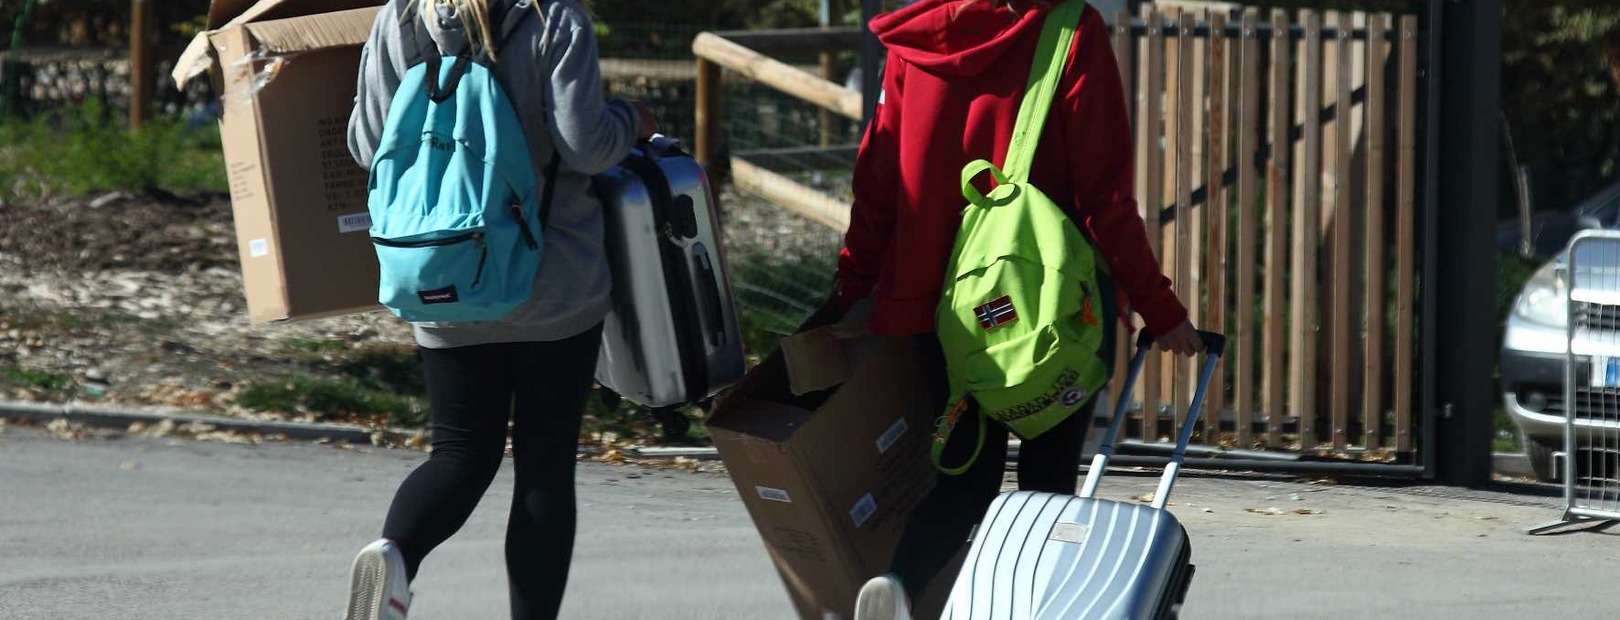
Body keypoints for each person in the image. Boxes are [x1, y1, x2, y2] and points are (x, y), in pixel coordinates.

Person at [796, 1, 1204, 618]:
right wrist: (1160, 306)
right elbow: (1105, 200)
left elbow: (879, 182)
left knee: (963, 477)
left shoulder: (915, 40)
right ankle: (1030, 606)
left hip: (940, 312)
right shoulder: (1069, 31)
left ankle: (901, 583)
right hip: (1053, 311)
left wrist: (850, 290)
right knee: (1047, 481)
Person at [342, 1, 656, 619]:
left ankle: (394, 555)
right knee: (544, 464)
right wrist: (631, 118)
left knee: (459, 453)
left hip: (442, 274)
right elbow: (586, 145)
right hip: (555, 279)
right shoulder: (554, 18)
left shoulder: (400, 18)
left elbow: (368, 145)